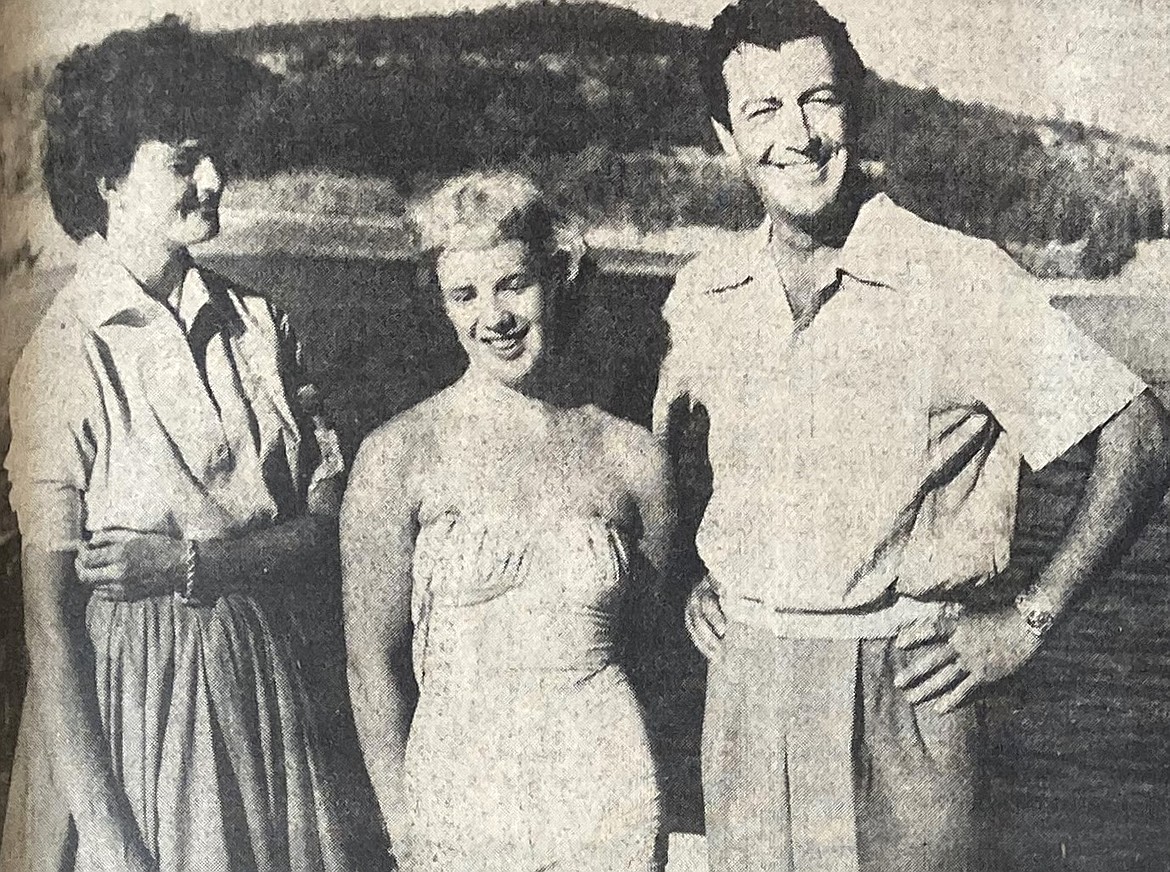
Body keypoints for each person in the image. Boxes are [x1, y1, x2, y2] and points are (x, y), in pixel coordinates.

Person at [652, 1, 1170, 870]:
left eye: (819, 99)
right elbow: (671, 445)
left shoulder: (956, 280)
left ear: (857, 109)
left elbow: (1140, 435)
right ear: (724, 138)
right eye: (763, 111)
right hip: (744, 693)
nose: (800, 136)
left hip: (907, 696)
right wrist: (693, 581)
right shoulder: (705, 293)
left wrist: (1027, 622)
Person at [2, 19, 349, 872]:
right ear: (107, 180)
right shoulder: (66, 353)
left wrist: (197, 567)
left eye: (215, 155)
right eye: (185, 160)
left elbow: (328, 527)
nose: (215, 178)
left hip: (269, 701)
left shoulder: (261, 325)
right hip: (137, 724)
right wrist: (113, 840)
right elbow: (48, 629)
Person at [341, 171, 675, 872]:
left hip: (608, 795)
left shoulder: (633, 458)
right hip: (460, 803)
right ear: (442, 303)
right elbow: (371, 663)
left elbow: (649, 649)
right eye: (464, 294)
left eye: (513, 283)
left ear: (557, 277)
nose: (492, 316)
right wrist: (404, 826)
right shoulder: (398, 455)